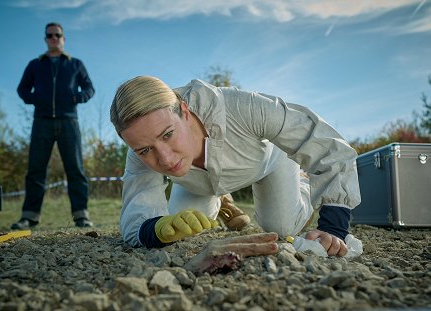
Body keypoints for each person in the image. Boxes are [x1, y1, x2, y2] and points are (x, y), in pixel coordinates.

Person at [109, 76, 361, 256]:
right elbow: (136, 214)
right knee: (181, 231)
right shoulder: (138, 152)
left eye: (167, 135)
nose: (164, 160)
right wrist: (156, 229)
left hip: (268, 165)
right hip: (199, 185)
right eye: (145, 150)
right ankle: (222, 201)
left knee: (283, 227)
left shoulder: (244, 107)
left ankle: (300, 183)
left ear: (184, 111)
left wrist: (334, 227)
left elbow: (327, 146)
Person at [11, 22, 95, 230]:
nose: (54, 38)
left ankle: (81, 215)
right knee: (36, 169)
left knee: (75, 168)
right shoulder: (35, 64)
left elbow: (89, 88)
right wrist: (35, 99)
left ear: (63, 39)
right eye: (50, 35)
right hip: (42, 121)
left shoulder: (75, 64)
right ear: (45, 39)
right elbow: (22, 89)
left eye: (57, 35)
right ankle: (29, 216)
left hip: (69, 122)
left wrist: (77, 97)